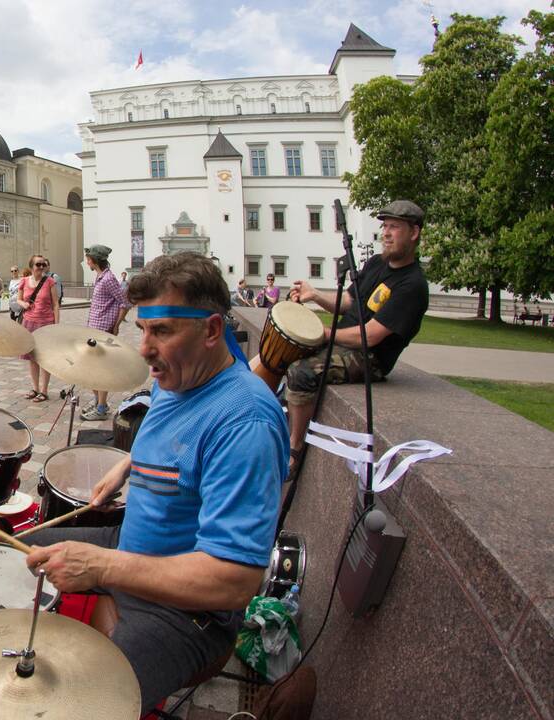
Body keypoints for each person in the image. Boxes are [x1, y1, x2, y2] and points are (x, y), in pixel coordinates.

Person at [24, 251, 289, 714]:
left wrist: (102, 567)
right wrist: (128, 464)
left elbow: (234, 581)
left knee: (80, 705)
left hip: (184, 612)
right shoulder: (178, 375)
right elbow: (177, 442)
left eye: (162, 330)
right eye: (142, 329)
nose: (145, 348)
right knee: (5, 554)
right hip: (130, 544)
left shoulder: (244, 423)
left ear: (210, 330)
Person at [285, 200, 429, 469]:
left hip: (369, 358)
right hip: (345, 342)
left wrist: (324, 333)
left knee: (301, 372)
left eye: (394, 227)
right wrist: (314, 295)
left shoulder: (413, 285)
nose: (386, 233)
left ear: (414, 233)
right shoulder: (376, 263)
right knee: (286, 350)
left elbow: (371, 336)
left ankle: (295, 448)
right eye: (385, 225)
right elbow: (350, 301)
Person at [81, 245, 131, 420]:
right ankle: (99, 404)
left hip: (103, 331)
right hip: (94, 329)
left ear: (93, 260)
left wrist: (116, 326)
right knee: (91, 369)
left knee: (100, 370)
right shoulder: (100, 277)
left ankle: (101, 408)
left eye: (87, 258)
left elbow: (125, 302)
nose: (86, 261)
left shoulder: (108, 278)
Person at [19, 254, 60, 402]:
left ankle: (44, 390)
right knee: (32, 358)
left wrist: (56, 324)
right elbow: (19, 299)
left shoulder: (50, 282)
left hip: (46, 323)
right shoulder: (24, 281)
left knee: (44, 358)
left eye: (43, 264)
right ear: (31, 266)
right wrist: (23, 304)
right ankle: (35, 388)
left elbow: (55, 304)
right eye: (38, 264)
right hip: (29, 322)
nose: (41, 267)